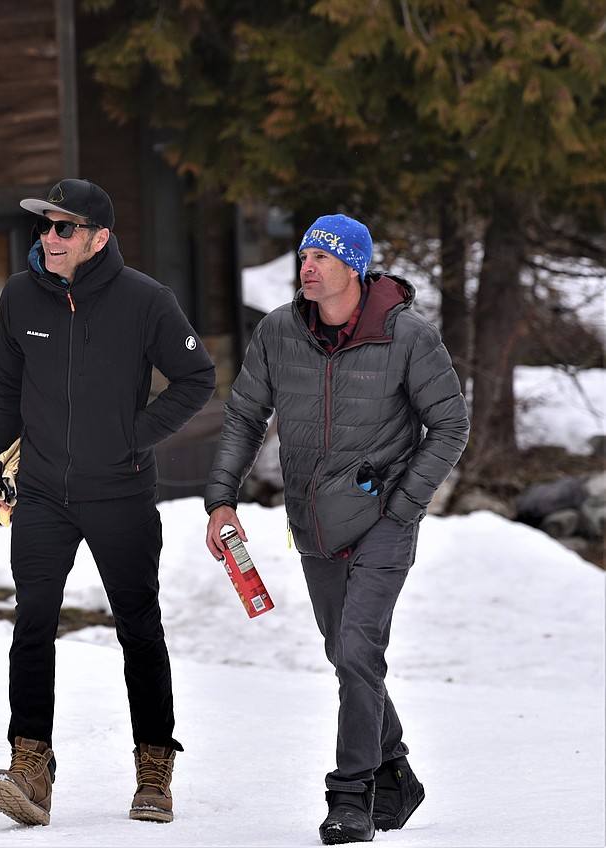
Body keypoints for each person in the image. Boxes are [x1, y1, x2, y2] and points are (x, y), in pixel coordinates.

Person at [203, 214, 469, 844]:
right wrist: (222, 499)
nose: (308, 268)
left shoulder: (406, 335)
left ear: (354, 266)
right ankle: (397, 769)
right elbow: (244, 415)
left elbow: (451, 426)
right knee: (343, 653)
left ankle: (352, 795)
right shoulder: (278, 333)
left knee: (356, 651)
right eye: (304, 257)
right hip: (315, 522)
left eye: (321, 258)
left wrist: (404, 504)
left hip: (383, 521)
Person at [0, 178, 216, 826]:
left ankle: (153, 766)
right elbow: (6, 390)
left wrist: (134, 436)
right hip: (44, 494)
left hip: (120, 491)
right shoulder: (19, 296)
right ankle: (30, 766)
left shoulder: (145, 301)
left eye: (63, 228)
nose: (48, 238)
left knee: (139, 627)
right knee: (32, 625)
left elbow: (198, 376)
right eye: (44, 226)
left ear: (98, 237)